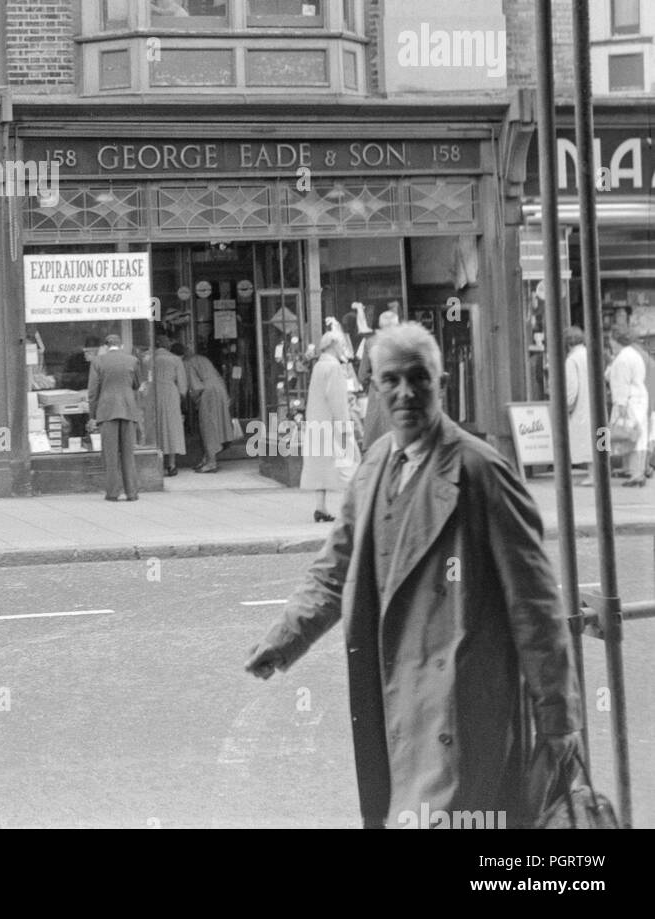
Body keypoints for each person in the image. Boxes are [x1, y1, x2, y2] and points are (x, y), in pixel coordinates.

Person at [244, 323, 582, 829]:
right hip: (394, 704)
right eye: (391, 380)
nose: (405, 393)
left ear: (440, 383)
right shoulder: (377, 463)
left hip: (461, 710)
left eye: (419, 378)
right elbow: (337, 568)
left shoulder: (481, 471)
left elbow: (535, 607)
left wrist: (559, 721)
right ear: (375, 387)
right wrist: (286, 637)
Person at [301, 331, 359, 523]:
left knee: (321, 469)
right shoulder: (333, 367)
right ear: (333, 344)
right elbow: (336, 399)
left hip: (318, 423)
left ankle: (320, 507)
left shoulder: (319, 365)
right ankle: (352, 508)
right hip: (334, 426)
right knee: (349, 464)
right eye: (341, 343)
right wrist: (345, 425)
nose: (343, 346)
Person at [86, 333, 143, 502]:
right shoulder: (132, 360)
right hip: (128, 409)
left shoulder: (98, 361)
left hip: (107, 411)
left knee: (110, 455)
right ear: (121, 345)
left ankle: (112, 493)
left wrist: (93, 415)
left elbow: (92, 392)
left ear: (105, 346)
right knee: (128, 454)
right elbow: (137, 384)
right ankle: (132, 493)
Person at [606, 322, 650, 488]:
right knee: (638, 435)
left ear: (616, 339)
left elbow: (620, 383)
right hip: (639, 398)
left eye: (610, 338)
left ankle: (635, 473)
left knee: (630, 435)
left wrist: (621, 404)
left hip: (628, 401)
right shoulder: (633, 354)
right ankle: (635, 470)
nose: (609, 341)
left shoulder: (622, 359)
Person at [183, 347, 233, 472]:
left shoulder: (188, 363)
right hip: (219, 389)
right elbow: (217, 376)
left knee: (208, 426)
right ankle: (207, 458)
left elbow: (195, 386)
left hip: (208, 392)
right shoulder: (203, 359)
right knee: (218, 424)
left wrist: (195, 401)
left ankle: (211, 462)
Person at [357, 308, 398, 453]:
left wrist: (369, 382)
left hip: (377, 393)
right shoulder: (403, 343)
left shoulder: (370, 342)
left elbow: (362, 374)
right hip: (398, 392)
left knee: (376, 440)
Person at [562, 325, 596, 482]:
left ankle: (593, 474)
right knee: (600, 435)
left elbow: (572, 387)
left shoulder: (572, 359)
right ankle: (602, 472)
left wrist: (568, 406)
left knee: (586, 439)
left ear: (568, 343)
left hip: (582, 406)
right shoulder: (592, 354)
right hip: (597, 403)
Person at [150, 334, 187, 477]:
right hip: (171, 394)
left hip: (153, 394)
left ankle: (156, 462)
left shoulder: (150, 358)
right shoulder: (176, 359)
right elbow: (183, 386)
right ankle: (171, 464)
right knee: (172, 427)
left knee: (155, 427)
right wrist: (182, 396)